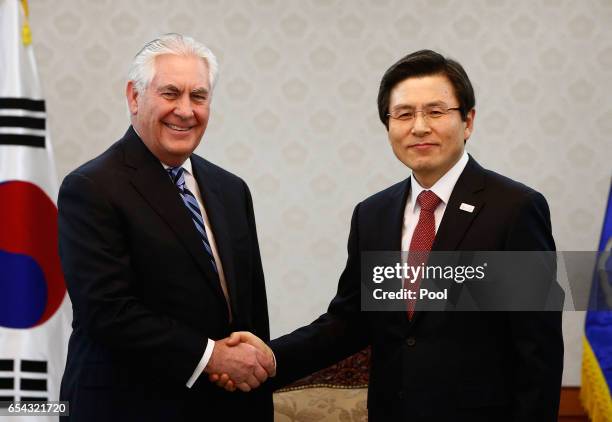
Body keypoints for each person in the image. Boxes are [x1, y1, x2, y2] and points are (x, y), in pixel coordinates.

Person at [214, 50, 564, 421]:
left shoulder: (514, 209)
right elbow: (349, 322)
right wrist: (271, 357)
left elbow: (537, 351)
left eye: (435, 111)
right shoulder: (374, 215)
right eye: (404, 114)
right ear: (388, 125)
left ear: (468, 121)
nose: (419, 127)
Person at [58, 33, 274, 421]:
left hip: (227, 407)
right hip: (129, 406)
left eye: (199, 96)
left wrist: (252, 372)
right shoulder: (91, 188)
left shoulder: (231, 189)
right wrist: (212, 358)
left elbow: (251, 309)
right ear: (135, 97)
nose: (185, 110)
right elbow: (108, 311)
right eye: (170, 93)